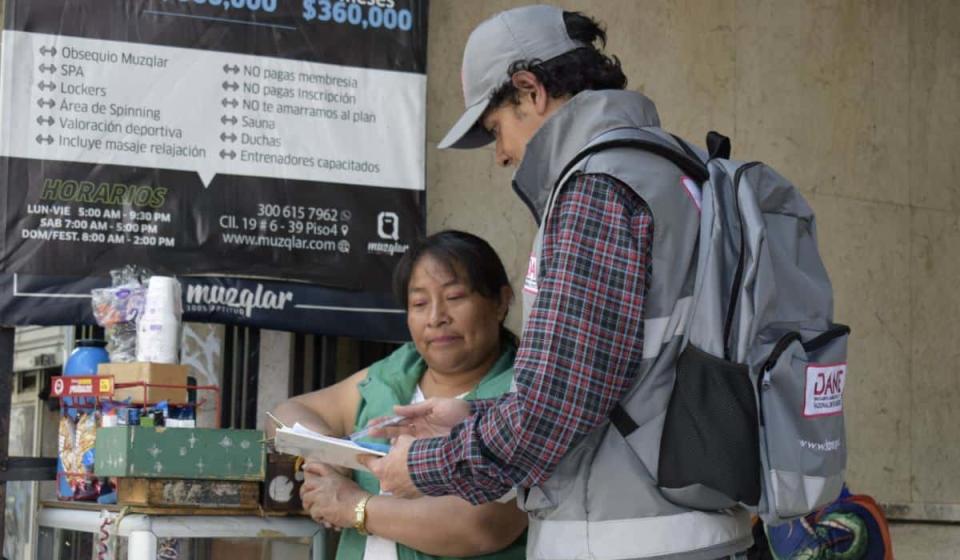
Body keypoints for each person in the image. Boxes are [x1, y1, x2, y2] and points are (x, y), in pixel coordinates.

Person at [360, 5, 753, 560]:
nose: (501, 154)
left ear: (530, 89)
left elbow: (555, 407)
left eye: (496, 128)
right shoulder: (680, 171)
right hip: (701, 528)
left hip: (626, 541)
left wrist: (420, 467)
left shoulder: (597, 187)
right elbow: (621, 380)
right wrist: (472, 416)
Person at [269, 230, 527, 560]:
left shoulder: (520, 395)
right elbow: (287, 412)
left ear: (501, 302)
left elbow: (480, 525)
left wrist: (355, 506)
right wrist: (328, 458)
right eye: (419, 303)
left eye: (455, 297)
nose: (436, 318)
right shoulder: (393, 375)